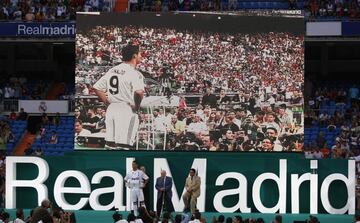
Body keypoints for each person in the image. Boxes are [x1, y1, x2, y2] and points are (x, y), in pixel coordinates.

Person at [93, 44, 145, 150]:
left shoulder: (112, 70)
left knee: (110, 145)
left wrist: (107, 103)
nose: (141, 56)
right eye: (140, 54)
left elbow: (96, 87)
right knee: (124, 146)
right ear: (134, 56)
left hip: (112, 109)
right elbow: (139, 92)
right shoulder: (134, 73)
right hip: (126, 109)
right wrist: (136, 107)